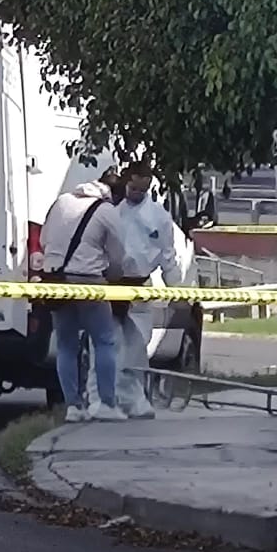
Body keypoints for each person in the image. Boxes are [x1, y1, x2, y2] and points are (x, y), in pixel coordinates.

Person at [39, 177, 131, 422]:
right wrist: (115, 279)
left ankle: (73, 406)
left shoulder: (61, 202)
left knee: (66, 345)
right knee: (104, 341)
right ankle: (106, 404)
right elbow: (118, 256)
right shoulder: (106, 210)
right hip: (89, 281)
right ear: (112, 193)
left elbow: (43, 240)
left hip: (56, 281)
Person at [114, 160, 183, 417]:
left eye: (142, 190)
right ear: (127, 182)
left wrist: (178, 292)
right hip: (113, 284)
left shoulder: (159, 218)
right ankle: (110, 399)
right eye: (133, 188)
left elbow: (168, 257)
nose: (136, 194)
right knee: (111, 345)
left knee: (137, 347)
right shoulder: (114, 213)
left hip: (141, 284)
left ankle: (135, 399)